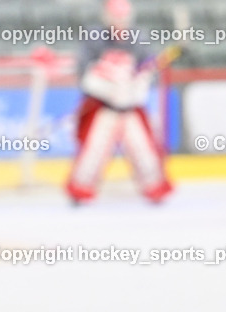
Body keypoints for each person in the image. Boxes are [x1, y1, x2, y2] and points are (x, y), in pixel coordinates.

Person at [66, 0, 173, 203]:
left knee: (144, 150)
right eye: (115, 17)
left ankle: (155, 188)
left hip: (130, 107)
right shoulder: (94, 39)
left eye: (123, 17)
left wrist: (136, 88)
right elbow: (84, 73)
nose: (120, 22)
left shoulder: (138, 39)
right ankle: (80, 190)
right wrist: (103, 89)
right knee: (93, 150)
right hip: (103, 107)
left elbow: (148, 71)